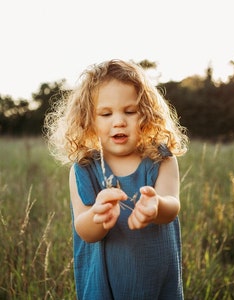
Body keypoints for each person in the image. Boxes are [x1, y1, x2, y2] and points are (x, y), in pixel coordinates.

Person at [44, 59, 188, 300]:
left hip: (156, 282)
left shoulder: (161, 160)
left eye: (129, 111)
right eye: (106, 113)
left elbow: (172, 205)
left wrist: (157, 206)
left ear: (146, 114)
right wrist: (98, 216)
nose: (119, 121)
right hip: (104, 286)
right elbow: (84, 230)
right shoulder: (84, 169)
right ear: (89, 120)